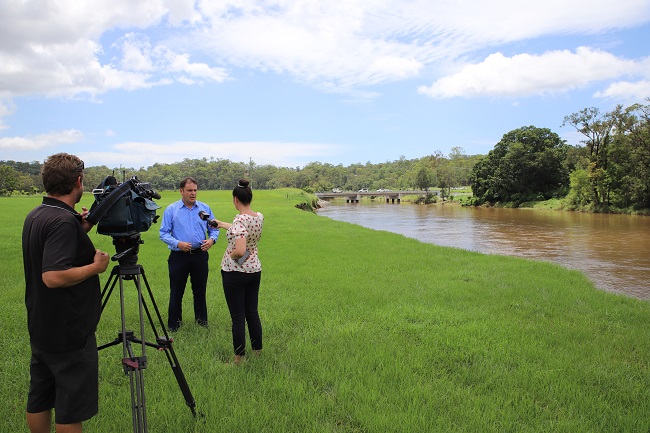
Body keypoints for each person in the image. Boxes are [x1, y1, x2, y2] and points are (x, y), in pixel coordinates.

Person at [22, 153, 111, 433]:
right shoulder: (62, 222)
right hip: (68, 329)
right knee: (69, 407)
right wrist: (95, 267)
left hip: (42, 325)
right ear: (78, 181)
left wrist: (80, 227)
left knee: (40, 397)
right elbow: (53, 276)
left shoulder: (39, 214)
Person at [212, 179, 264, 365]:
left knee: (237, 317)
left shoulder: (239, 220)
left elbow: (240, 249)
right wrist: (220, 224)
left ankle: (238, 358)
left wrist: (232, 255)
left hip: (235, 273)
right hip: (254, 270)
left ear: (235, 199)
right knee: (252, 312)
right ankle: (257, 352)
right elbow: (244, 230)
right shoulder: (258, 216)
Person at [159, 177, 219, 331]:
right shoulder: (172, 210)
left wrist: (212, 240)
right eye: (189, 190)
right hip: (179, 257)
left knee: (200, 291)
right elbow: (164, 233)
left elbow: (214, 228)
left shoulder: (204, 209)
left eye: (195, 190)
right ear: (181, 191)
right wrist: (178, 243)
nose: (193, 193)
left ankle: (201, 323)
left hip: (200, 255)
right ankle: (174, 326)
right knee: (176, 291)